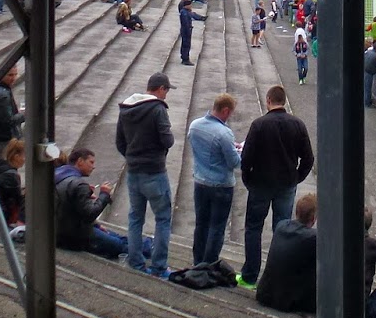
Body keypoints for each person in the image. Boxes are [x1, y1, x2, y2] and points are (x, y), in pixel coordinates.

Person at [238, 85, 316, 290]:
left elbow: (246, 158)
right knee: (281, 229)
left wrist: (248, 180)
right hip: (285, 185)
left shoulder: (259, 125)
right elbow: (308, 158)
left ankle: (249, 276)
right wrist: (296, 178)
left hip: (261, 184)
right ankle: (276, 277)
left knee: (253, 228)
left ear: (268, 100)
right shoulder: (297, 124)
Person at [116, 72, 175, 278]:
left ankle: (135, 262)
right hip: (155, 172)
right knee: (163, 218)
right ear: (161, 89)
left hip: (134, 172)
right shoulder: (158, 110)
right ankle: (159, 267)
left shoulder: (126, 109)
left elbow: (120, 142)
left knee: (135, 217)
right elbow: (167, 140)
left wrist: (133, 157)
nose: (166, 95)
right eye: (166, 91)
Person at [56, 147, 146, 261]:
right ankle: (152, 252)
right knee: (120, 245)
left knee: (119, 238)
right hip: (75, 236)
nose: (93, 167)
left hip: (63, 231)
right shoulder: (78, 184)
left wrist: (95, 223)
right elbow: (90, 214)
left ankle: (150, 246)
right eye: (91, 162)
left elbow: (71, 206)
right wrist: (104, 195)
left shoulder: (60, 175)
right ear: (80, 161)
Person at [188, 94, 242, 266]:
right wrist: (241, 152)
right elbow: (234, 163)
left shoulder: (195, 126)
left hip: (200, 181)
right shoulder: (224, 133)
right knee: (217, 227)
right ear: (225, 110)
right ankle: (209, 263)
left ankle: (198, 260)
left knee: (201, 224)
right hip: (221, 185)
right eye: (230, 113)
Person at [255, 193, 319, 315]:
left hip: (265, 293)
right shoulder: (313, 238)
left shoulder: (281, 225)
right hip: (288, 301)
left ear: (296, 212)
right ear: (314, 218)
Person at [177, 0, 205, 66]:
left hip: (186, 30)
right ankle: (185, 59)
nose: (191, 6)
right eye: (190, 5)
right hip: (186, 31)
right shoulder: (184, 13)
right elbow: (186, 23)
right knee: (186, 45)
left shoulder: (186, 11)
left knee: (185, 44)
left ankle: (185, 57)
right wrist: (189, 30)